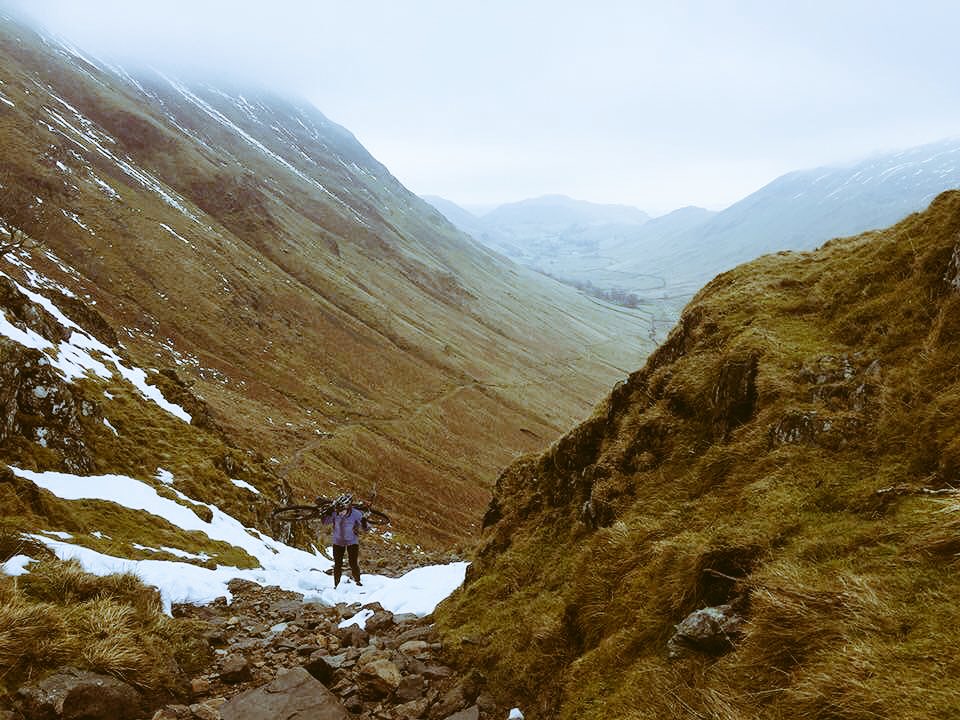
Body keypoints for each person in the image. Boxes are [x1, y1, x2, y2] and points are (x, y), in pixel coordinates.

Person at [321, 493, 367, 588]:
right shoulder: (335, 512)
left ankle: (358, 581)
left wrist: (364, 523)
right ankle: (336, 585)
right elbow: (325, 522)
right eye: (338, 511)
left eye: (342, 511)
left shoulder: (356, 514)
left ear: (348, 508)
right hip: (338, 541)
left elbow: (366, 528)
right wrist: (326, 514)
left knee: (353, 563)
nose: (340, 513)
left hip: (352, 541)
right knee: (338, 564)